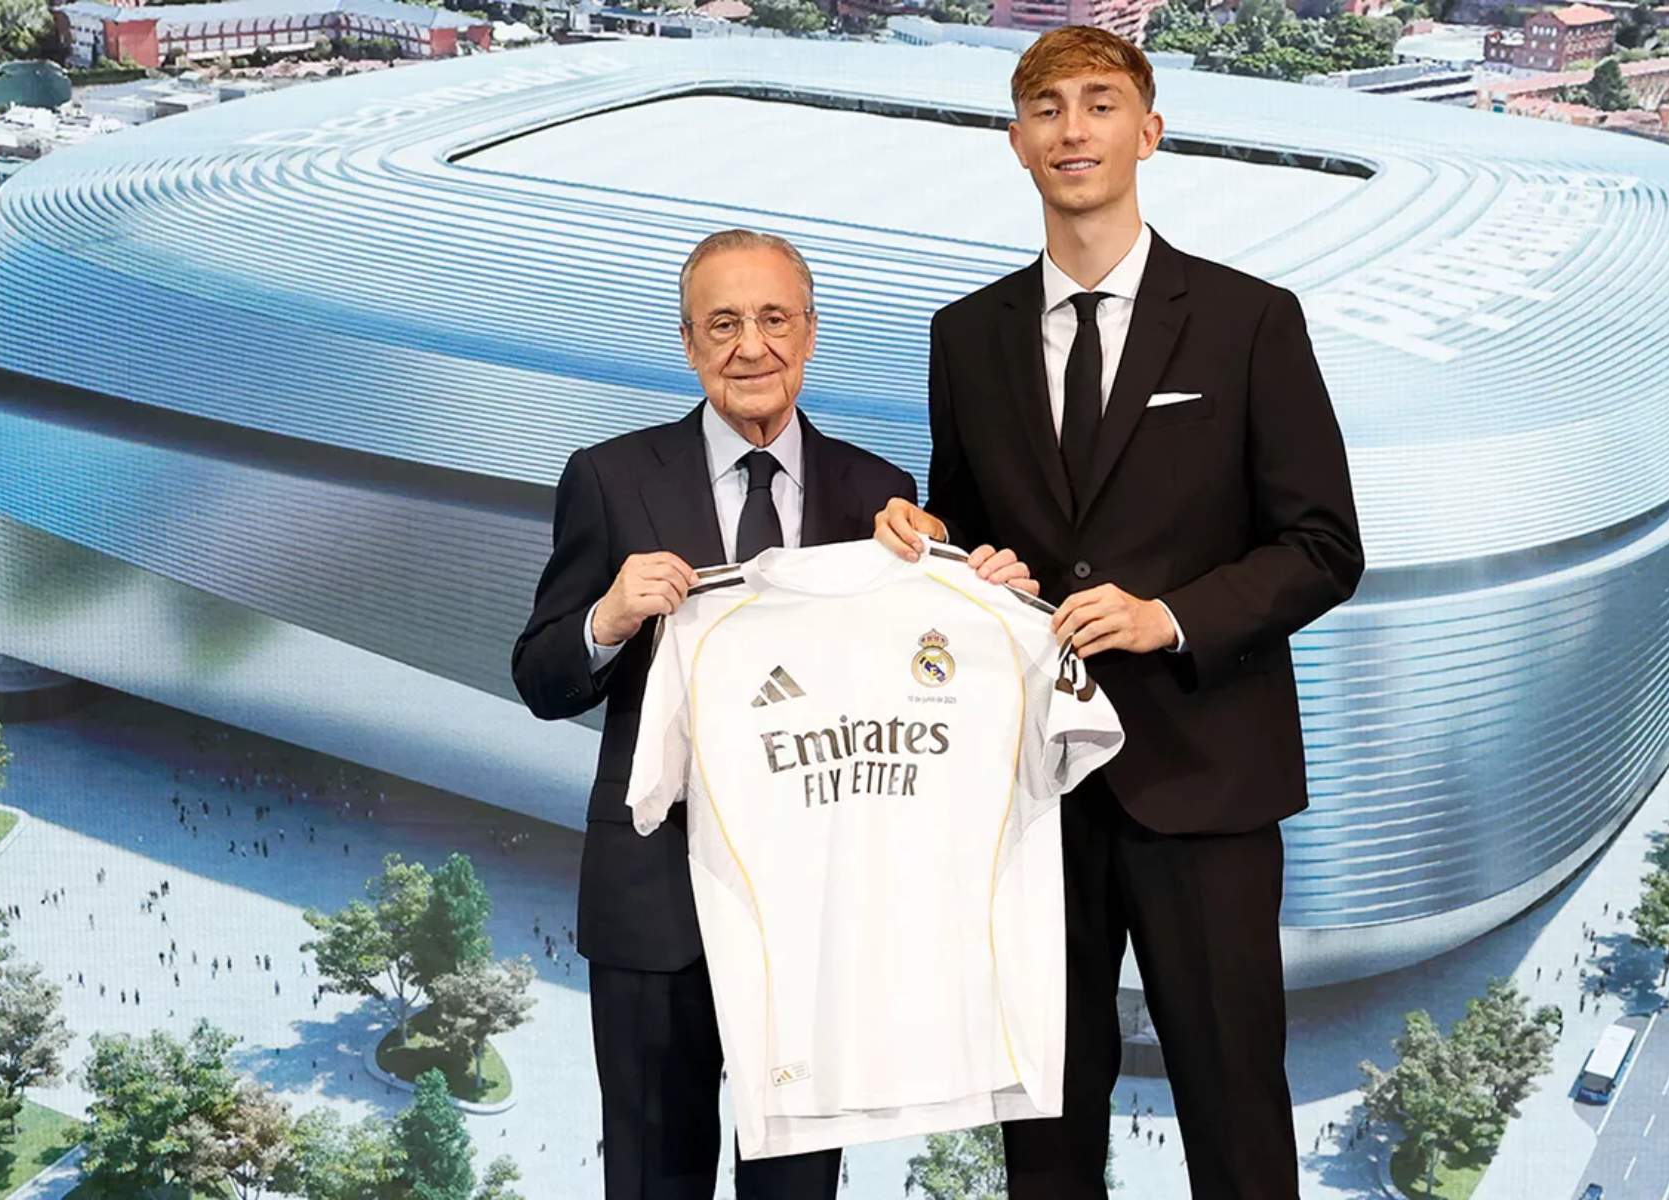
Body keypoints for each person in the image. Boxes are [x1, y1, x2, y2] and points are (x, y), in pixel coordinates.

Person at [875, 25, 1365, 1199]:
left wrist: (1170, 618)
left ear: (1148, 131)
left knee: (1232, 1107)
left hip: (1203, 783)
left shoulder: (1250, 321)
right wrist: (927, 543)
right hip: (1033, 793)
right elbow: (968, 519)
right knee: (1041, 1111)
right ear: (1014, 143)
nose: (1071, 129)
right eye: (1045, 109)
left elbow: (1322, 548)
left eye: (1099, 104)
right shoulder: (964, 335)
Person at [513, 229, 973, 1200]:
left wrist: (952, 580)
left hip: (815, 917)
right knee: (651, 1181)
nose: (749, 346)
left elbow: (927, 686)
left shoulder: (878, 494)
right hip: (652, 905)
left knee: (797, 1190)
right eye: (721, 324)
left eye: (771, 319)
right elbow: (540, 677)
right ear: (687, 344)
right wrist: (604, 616)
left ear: (809, 334)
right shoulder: (607, 477)